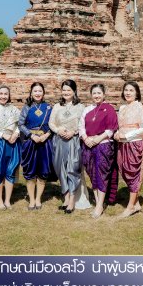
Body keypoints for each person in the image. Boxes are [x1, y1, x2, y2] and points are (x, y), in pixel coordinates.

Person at [50, 80, 90, 214]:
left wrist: (74, 132)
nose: (66, 92)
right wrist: (58, 130)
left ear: (74, 91)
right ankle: (66, 198)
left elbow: (84, 125)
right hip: (59, 141)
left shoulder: (80, 107)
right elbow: (51, 123)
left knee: (73, 169)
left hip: (73, 141)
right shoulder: (57, 106)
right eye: (64, 90)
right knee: (60, 169)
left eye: (69, 90)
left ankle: (72, 200)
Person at [80, 83, 119, 218]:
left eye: (99, 93)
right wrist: (86, 139)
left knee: (101, 174)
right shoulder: (87, 110)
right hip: (88, 145)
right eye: (94, 93)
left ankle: (100, 205)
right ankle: (98, 202)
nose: (96, 96)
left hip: (103, 145)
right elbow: (81, 127)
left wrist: (97, 139)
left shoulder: (109, 109)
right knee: (92, 174)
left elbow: (111, 129)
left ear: (104, 94)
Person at [18, 82, 54, 210]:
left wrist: (47, 135)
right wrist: (31, 135)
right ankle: (32, 200)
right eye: (35, 91)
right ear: (31, 93)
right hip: (30, 143)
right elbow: (21, 124)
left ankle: (38, 199)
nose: (37, 93)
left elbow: (53, 125)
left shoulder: (49, 108)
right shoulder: (27, 107)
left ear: (43, 93)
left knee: (43, 171)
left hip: (45, 143)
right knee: (30, 171)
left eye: (40, 91)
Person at [116, 81, 143, 218]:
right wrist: (117, 133)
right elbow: (119, 125)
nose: (128, 93)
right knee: (124, 171)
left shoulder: (138, 106)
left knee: (133, 173)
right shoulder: (122, 107)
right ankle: (136, 203)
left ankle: (130, 207)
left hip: (134, 143)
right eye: (126, 90)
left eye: (131, 90)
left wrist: (127, 135)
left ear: (136, 93)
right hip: (122, 144)